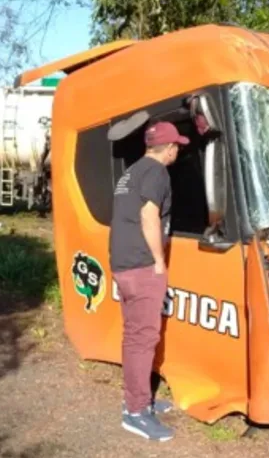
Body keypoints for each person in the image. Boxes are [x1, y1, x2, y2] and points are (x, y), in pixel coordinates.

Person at [109, 121, 187, 442]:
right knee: (144, 338)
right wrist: (158, 261)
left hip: (122, 263)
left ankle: (139, 399)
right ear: (168, 148)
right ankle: (136, 412)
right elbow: (149, 215)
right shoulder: (157, 172)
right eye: (177, 147)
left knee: (133, 336)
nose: (178, 151)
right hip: (142, 264)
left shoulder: (132, 172)